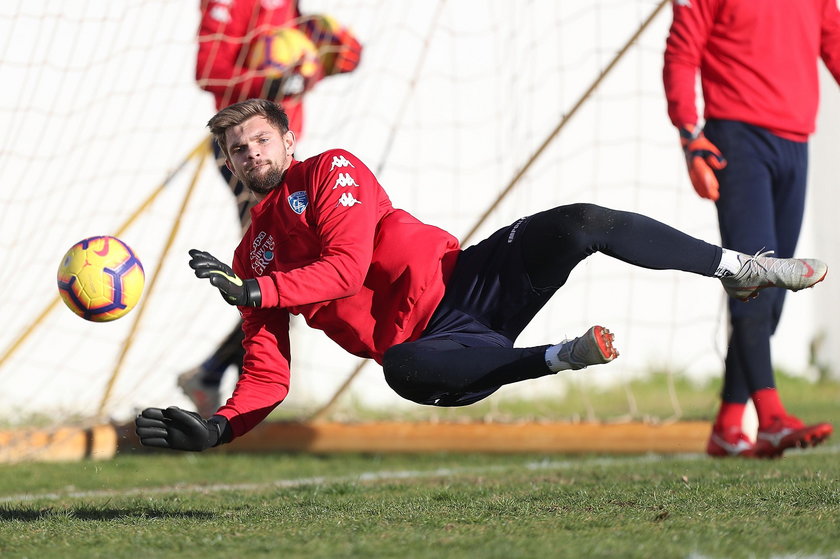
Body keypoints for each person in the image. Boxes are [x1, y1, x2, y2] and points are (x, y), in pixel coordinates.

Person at [135, 98, 828, 452]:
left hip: (471, 282)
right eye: (236, 149)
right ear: (229, 166)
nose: (250, 152)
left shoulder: (328, 171)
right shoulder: (250, 255)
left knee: (582, 220)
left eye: (260, 138)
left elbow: (344, 268)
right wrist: (222, 426)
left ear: (289, 139)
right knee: (399, 366)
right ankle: (560, 355)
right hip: (445, 353)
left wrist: (260, 292)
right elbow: (267, 373)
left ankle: (739, 266)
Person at [663, 0, 840, 458]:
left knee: (776, 294)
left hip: (796, 143)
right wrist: (689, 135)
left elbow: (833, 39)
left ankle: (727, 424)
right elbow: (682, 52)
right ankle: (772, 417)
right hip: (737, 141)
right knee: (756, 278)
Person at [181, 0, 362, 416]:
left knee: (291, 277)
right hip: (247, 155)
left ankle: (214, 380)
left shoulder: (293, 7)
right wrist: (274, 78)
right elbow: (208, 72)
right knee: (284, 277)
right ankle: (223, 385)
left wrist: (331, 58)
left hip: (284, 157)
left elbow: (331, 55)